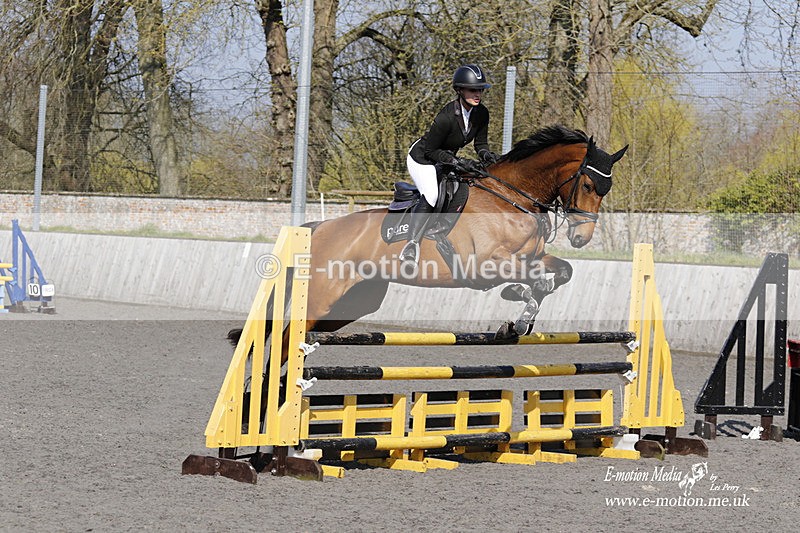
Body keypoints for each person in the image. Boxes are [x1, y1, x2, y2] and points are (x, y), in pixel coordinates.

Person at [400, 64, 500, 264]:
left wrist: (487, 155)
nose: (477, 94)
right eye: (473, 89)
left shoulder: (482, 114)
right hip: (422, 158)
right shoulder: (446, 117)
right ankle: (410, 245)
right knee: (431, 194)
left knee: (465, 185)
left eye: (480, 89)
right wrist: (456, 161)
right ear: (459, 90)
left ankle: (441, 229)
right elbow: (431, 150)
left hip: (445, 157)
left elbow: (480, 143)